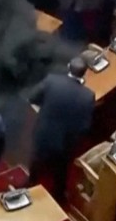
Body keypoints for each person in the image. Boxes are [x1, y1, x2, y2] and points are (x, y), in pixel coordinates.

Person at [28, 57, 96, 202]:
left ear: (68, 67)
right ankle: (58, 194)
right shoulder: (88, 96)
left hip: (44, 133)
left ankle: (30, 183)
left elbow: (32, 97)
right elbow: (85, 126)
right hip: (66, 141)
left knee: (36, 160)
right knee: (62, 168)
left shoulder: (52, 80)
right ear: (85, 74)